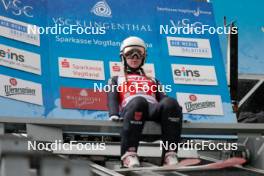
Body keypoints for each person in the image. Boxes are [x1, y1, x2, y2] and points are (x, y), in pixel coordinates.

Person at [107, 36, 183, 168]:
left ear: (144, 57)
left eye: (139, 53)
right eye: (130, 53)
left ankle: (169, 154)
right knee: (139, 101)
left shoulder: (153, 80)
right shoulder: (116, 79)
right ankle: (129, 154)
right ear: (123, 57)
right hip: (132, 109)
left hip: (152, 109)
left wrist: (175, 112)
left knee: (171, 102)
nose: (135, 57)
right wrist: (113, 114)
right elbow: (112, 97)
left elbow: (163, 98)